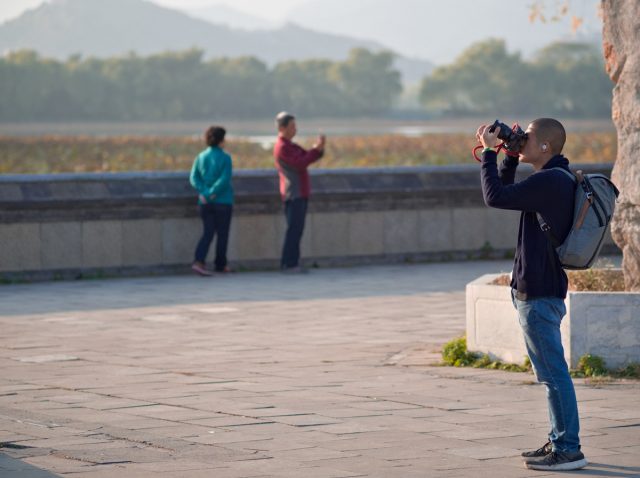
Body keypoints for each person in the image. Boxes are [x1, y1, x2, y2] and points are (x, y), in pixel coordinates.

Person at [476, 118, 588, 471]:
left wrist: (489, 156)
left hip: (539, 289)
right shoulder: (555, 178)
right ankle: (560, 440)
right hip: (539, 286)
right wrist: (508, 154)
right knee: (550, 374)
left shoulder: (551, 181)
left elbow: (494, 197)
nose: (520, 139)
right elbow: (508, 193)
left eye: (527, 137)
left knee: (554, 374)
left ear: (545, 147)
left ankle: (569, 449)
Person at [273, 111, 325, 273]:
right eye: (292, 126)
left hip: (299, 192)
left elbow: (306, 155)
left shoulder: (290, 145)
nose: (295, 129)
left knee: (297, 229)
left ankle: (292, 262)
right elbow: (300, 163)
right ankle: (289, 264)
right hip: (293, 193)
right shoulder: (282, 147)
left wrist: (318, 149)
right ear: (282, 128)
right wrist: (315, 151)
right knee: (294, 230)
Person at [189, 126, 234, 276]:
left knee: (207, 233)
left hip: (204, 203)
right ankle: (221, 265)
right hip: (223, 201)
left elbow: (194, 178)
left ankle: (198, 261)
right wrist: (212, 193)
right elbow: (224, 180)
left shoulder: (200, 157)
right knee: (222, 234)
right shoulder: (225, 158)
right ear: (221, 140)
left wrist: (204, 193)